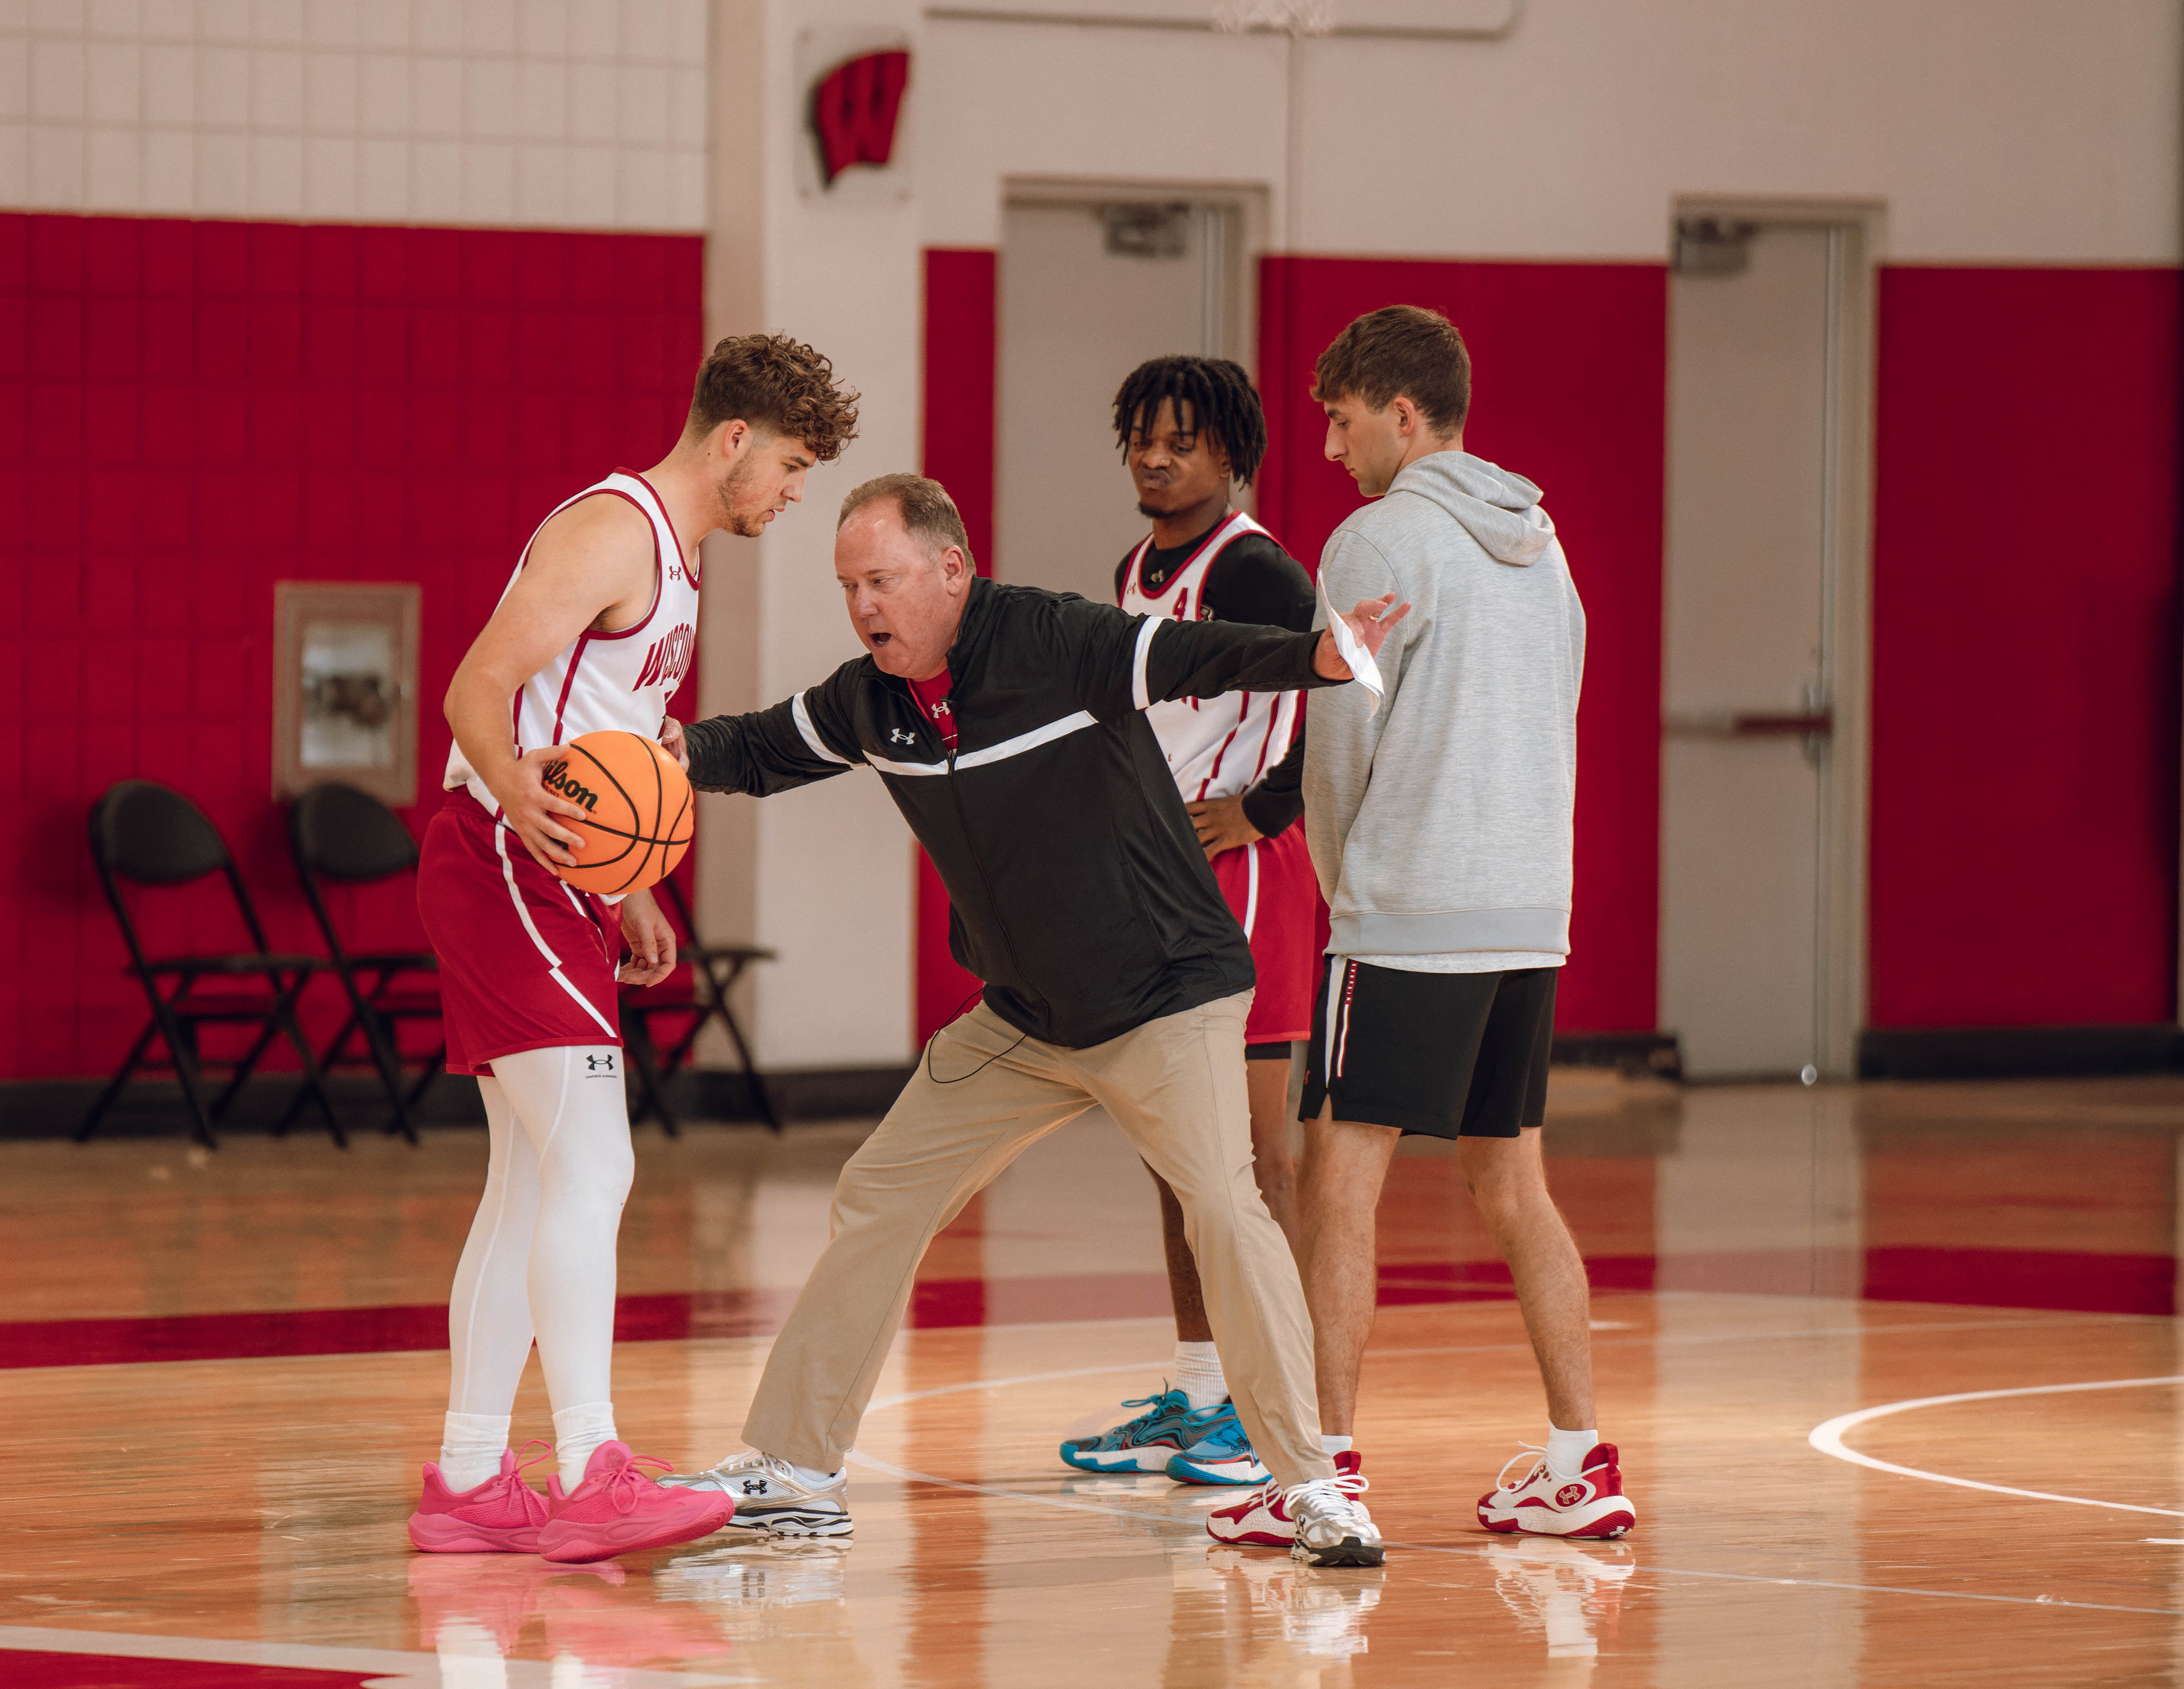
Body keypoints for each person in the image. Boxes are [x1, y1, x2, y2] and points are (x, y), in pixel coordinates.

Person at [661, 472, 1405, 1568]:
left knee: (1222, 1203)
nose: (864, 606)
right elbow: (764, 746)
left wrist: (1316, 660)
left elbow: (1194, 655)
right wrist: (668, 751)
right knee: (880, 1190)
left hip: (1166, 996)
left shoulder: (1052, 641)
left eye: (882, 580)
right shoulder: (873, 702)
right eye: (848, 586)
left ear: (951, 570)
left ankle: (1312, 1486)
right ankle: (797, 1466)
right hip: (1025, 1019)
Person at [405, 334, 861, 1565]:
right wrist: (523, 805)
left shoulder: (683, 560)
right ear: (732, 439)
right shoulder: (612, 530)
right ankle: (592, 1465)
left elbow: (610, 739)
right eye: (794, 465)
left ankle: (466, 1478)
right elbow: (473, 688)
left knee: (532, 1180)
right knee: (596, 1167)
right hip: (506, 857)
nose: (794, 491)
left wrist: (640, 882)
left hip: (560, 878)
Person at [1296, 305, 1636, 1539]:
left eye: (1340, 420)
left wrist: (1349, 887)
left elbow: (1337, 740)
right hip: (1524, 909)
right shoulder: (1543, 546)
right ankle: (1573, 1459)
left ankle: (1320, 1476)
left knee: (1336, 1184)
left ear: (1400, 411)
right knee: (1515, 1182)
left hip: (1408, 913)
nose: (1329, 447)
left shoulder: (1372, 540)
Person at [1056, 357, 1324, 1488]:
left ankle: (1283, 1410)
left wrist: (1262, 807)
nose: (1155, 456)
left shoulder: (1255, 568)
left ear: (1232, 456)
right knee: (1177, 1154)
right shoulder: (1135, 565)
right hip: (1157, 873)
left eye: (1182, 440)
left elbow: (1344, 685)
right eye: (1141, 438)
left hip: (1246, 875)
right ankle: (1203, 1393)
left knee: (1258, 1161)